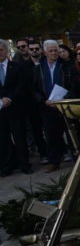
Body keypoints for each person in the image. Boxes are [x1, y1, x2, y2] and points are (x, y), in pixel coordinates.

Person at [32, 40, 78, 172]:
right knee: (51, 134)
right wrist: (42, 100)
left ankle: (77, 157)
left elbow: (73, 86)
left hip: (65, 105)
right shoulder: (38, 68)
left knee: (71, 132)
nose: (54, 53)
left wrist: (64, 98)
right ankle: (54, 161)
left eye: (55, 50)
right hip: (47, 106)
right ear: (45, 52)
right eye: (51, 51)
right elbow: (33, 88)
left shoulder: (66, 66)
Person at [0, 40, 32, 176]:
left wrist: (10, 98)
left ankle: (24, 164)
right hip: (0, 109)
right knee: (3, 138)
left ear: (6, 51)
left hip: (15, 107)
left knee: (19, 137)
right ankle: (7, 166)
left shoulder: (16, 66)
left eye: (0, 50)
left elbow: (21, 85)